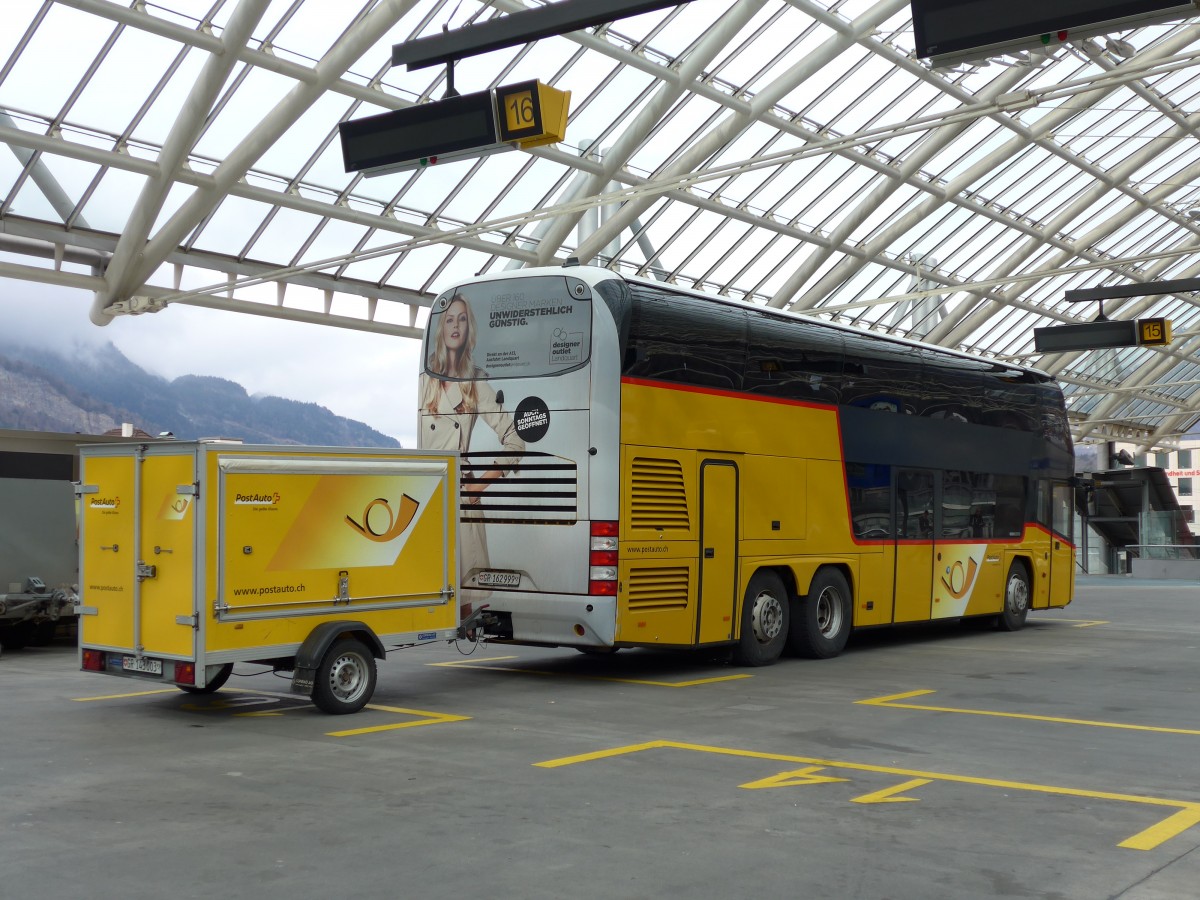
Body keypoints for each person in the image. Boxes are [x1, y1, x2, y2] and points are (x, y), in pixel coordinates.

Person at [419, 294, 525, 606]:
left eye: (462, 319)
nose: (455, 325)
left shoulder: (476, 381)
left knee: (462, 603)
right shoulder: (425, 380)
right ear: (441, 327)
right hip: (428, 493)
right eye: (449, 319)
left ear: (469, 329)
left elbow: (515, 438)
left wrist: (480, 484)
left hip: (459, 496)